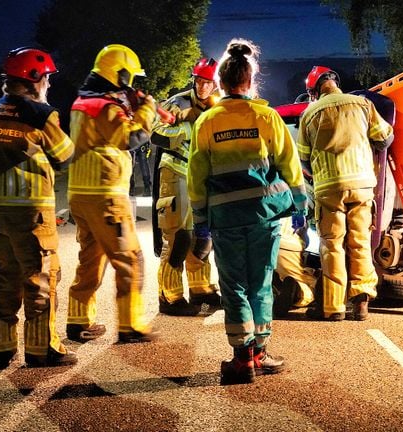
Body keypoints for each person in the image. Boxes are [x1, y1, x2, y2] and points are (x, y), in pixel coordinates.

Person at [188, 39, 307, 384]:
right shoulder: (266, 117)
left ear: (221, 83)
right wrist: (300, 210)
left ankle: (242, 359)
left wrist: (200, 224)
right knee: (261, 283)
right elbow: (290, 166)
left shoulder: (207, 122)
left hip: (225, 218)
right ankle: (260, 353)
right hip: (264, 216)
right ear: (250, 81)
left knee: (234, 286)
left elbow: (197, 176)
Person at [65, 44, 163, 345]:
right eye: (129, 78)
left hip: (80, 193)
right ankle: (130, 325)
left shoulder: (82, 102)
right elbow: (131, 137)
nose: (131, 84)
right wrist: (147, 109)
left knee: (90, 260)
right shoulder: (106, 106)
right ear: (119, 75)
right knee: (129, 258)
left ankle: (78, 320)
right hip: (105, 194)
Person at [0, 47, 76, 369]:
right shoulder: (39, 114)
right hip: (32, 209)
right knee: (40, 278)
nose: (49, 84)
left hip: (1, 210)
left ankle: (1, 347)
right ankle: (42, 350)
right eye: (47, 78)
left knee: (6, 276)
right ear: (34, 79)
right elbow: (65, 154)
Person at [297, 66, 394, 321]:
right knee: (360, 242)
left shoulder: (309, 114)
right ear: (333, 82)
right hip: (362, 185)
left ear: (315, 90)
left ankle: (333, 308)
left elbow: (304, 158)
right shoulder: (362, 104)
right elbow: (384, 138)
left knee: (332, 245)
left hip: (328, 188)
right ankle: (361, 304)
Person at [152, 58, 221, 316]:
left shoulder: (218, 105)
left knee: (202, 234)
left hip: (204, 175)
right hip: (176, 170)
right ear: (193, 80)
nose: (203, 87)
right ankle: (169, 296)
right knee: (177, 235)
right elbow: (155, 134)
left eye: (208, 83)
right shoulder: (177, 103)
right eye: (199, 81)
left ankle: (201, 288)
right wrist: (184, 125)